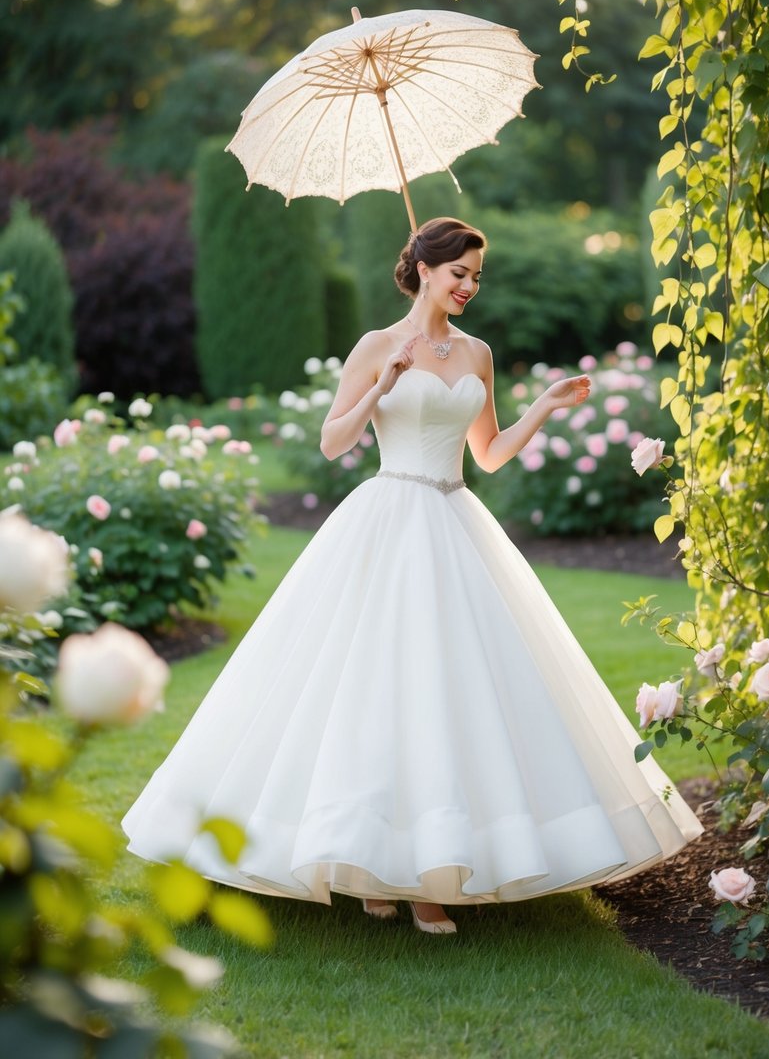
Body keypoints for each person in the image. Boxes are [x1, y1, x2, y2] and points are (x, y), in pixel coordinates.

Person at [122, 216, 702, 936]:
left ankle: (432, 877)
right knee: (369, 687)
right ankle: (370, 867)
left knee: (445, 693)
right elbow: (335, 442)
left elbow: (486, 454)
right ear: (423, 268)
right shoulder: (374, 347)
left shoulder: (478, 354)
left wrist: (544, 411)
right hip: (386, 515)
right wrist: (383, 384)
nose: (468, 286)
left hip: (454, 522)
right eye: (458, 272)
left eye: (475, 276)